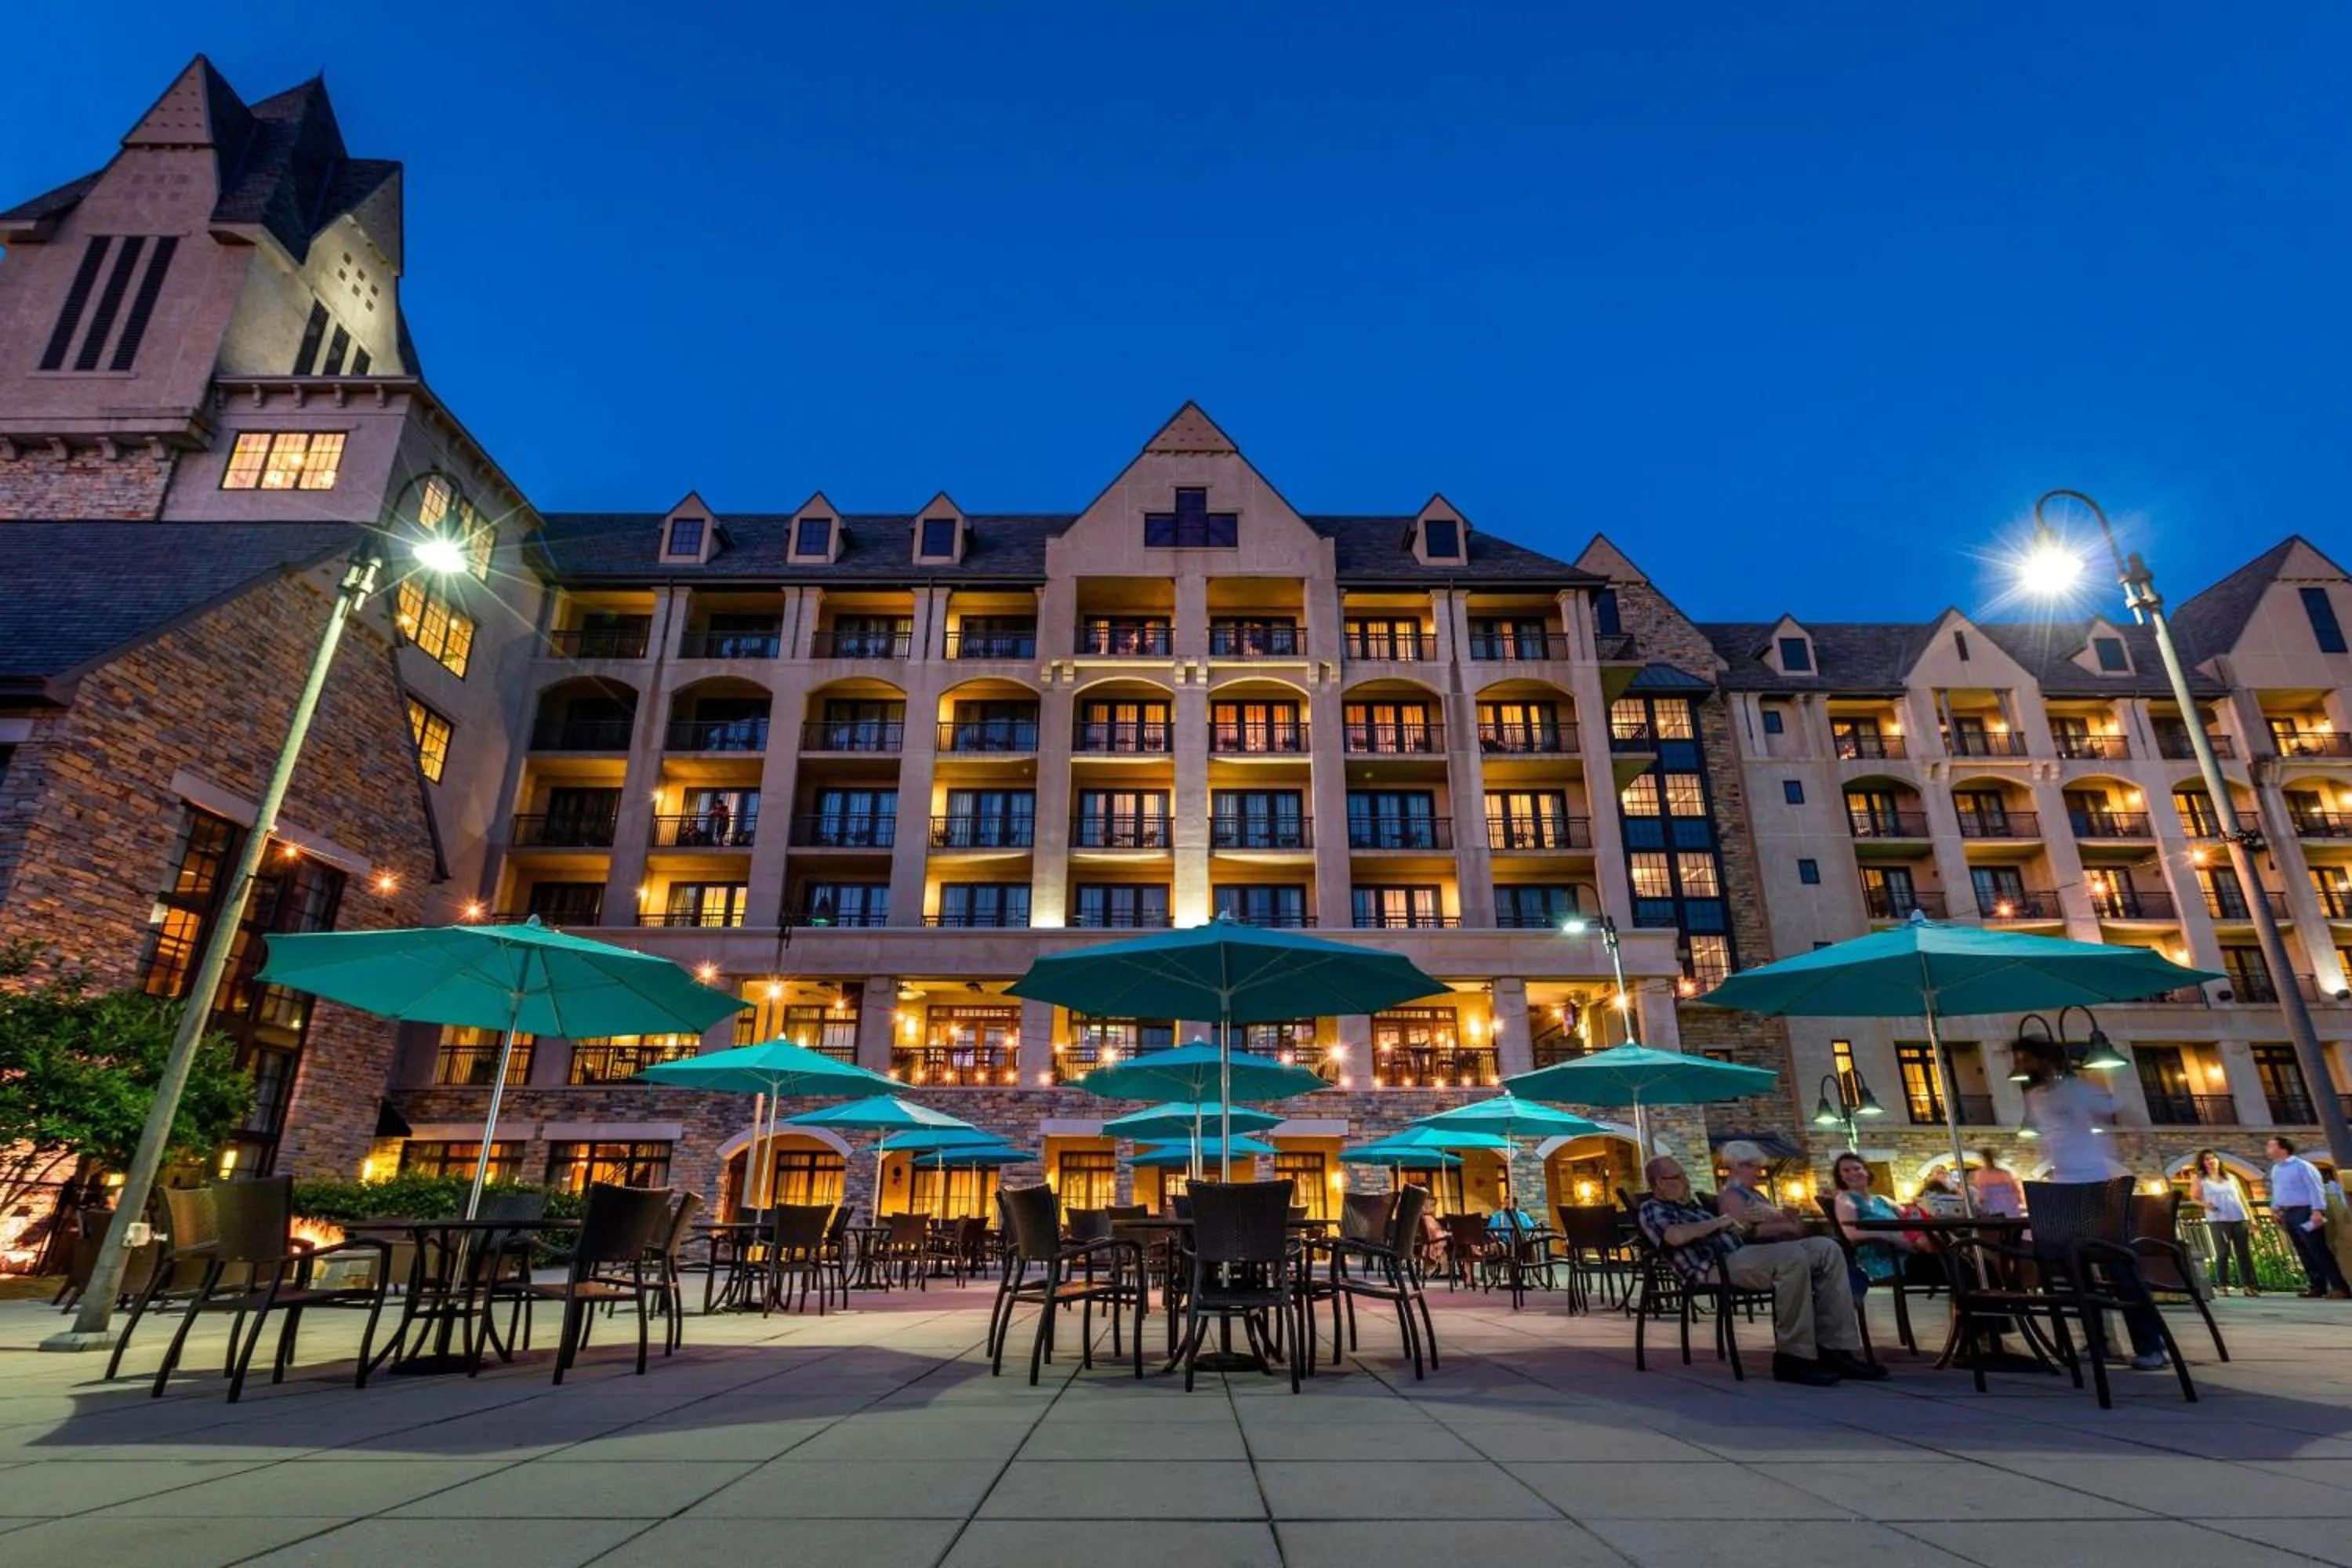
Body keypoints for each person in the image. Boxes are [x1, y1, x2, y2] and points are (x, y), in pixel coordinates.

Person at [1639, 1149, 1885, 1386]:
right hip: (1712, 1267)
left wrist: (1747, 1223)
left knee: (1827, 1248)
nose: (1686, 1181)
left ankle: (1835, 1349)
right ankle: (1793, 1356)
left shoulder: (1692, 1207)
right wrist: (1721, 1221)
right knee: (1791, 1257)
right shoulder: (1652, 1208)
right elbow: (1675, 1236)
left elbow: (1731, 1232)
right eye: (1679, 1176)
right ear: (1660, 1182)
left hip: (1740, 1254)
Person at [2015, 1039, 2170, 1370]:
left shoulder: (2075, 1089)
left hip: (2096, 1183)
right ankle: (2098, 1341)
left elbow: (2119, 1107)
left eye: (2027, 1059)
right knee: (2073, 1270)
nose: (2022, 1067)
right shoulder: (2034, 1097)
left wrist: (2141, 1135)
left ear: (2046, 1060)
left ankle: (2150, 1345)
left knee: (2118, 1266)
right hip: (2063, 1187)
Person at [1828, 1152, 1933, 1299]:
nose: (1853, 1173)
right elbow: (1851, 1234)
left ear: (1866, 1171)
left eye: (1857, 1168)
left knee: (1947, 1257)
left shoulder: (1882, 1200)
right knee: (1946, 1264)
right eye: (1846, 1171)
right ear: (1840, 1177)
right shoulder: (1845, 1199)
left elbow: (1910, 1216)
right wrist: (1888, 1236)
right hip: (1886, 1261)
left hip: (1908, 1252)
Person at [2266, 1136, 2351, 1299]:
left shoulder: (2302, 1166)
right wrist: (2275, 1207)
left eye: (2271, 1146)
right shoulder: (2276, 1169)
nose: (2268, 1149)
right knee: (2302, 1250)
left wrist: (2317, 1210)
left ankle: (2339, 1287)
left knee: (2317, 1249)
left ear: (2283, 1149)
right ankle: (2317, 1286)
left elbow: (2315, 1189)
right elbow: (2278, 1190)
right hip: (2288, 1212)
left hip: (2304, 1211)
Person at [2193, 1149, 2259, 1297]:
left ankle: (2249, 1286)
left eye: (2213, 1158)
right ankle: (2223, 1285)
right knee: (2223, 1252)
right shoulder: (2201, 1179)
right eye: (2207, 1159)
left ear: (2218, 1160)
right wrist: (2206, 1204)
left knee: (2244, 1253)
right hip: (2218, 1220)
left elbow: (2242, 1198)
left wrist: (2251, 1219)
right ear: (2203, 1163)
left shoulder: (2231, 1177)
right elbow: (2194, 1197)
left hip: (2239, 1218)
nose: (2211, 1161)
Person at [1971, 1149, 2026, 1219]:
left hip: (1997, 1208)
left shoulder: (1981, 1174)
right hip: (2008, 1207)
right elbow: (2015, 1190)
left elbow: (1981, 1193)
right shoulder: (2004, 1173)